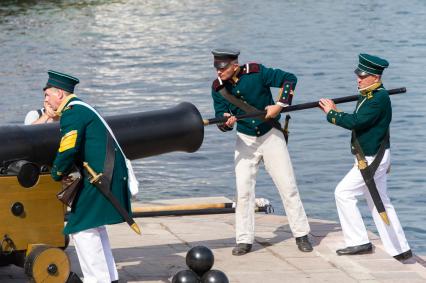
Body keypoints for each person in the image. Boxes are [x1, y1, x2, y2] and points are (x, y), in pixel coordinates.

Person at [210, 49, 312, 255]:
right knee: (243, 191)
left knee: (287, 186)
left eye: (222, 68)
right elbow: (221, 117)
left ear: (234, 66)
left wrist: (279, 105)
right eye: (216, 68)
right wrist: (225, 121)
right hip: (245, 139)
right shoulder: (218, 88)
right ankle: (244, 239)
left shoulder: (257, 73)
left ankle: (301, 234)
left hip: (270, 135)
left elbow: (289, 79)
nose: (218, 72)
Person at [318, 54, 412, 261]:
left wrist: (331, 113)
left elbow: (355, 122)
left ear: (376, 78)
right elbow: (361, 117)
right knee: (379, 201)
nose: (358, 79)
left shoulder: (377, 99)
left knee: (343, 193)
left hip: (370, 158)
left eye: (363, 76)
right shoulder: (371, 94)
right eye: (358, 75)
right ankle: (400, 248)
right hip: (375, 155)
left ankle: (358, 241)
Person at [45, 70, 132, 282]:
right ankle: (109, 278)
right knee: (94, 226)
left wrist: (55, 172)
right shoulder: (81, 108)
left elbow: (68, 148)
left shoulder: (72, 113)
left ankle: (98, 279)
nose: (45, 99)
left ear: (60, 95)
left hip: (100, 178)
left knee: (81, 228)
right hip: (103, 176)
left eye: (48, 94)